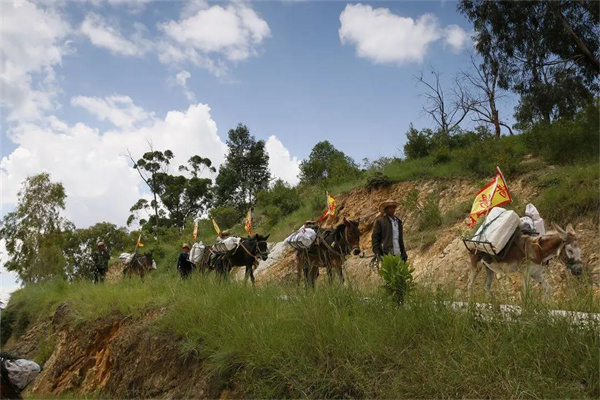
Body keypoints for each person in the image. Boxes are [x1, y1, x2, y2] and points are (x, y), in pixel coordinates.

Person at [371, 199, 408, 263]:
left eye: (393, 207)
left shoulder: (398, 222)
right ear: (386, 210)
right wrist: (377, 252)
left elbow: (400, 239)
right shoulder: (381, 222)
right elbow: (375, 237)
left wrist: (403, 252)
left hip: (398, 253)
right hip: (386, 253)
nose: (392, 209)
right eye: (390, 208)